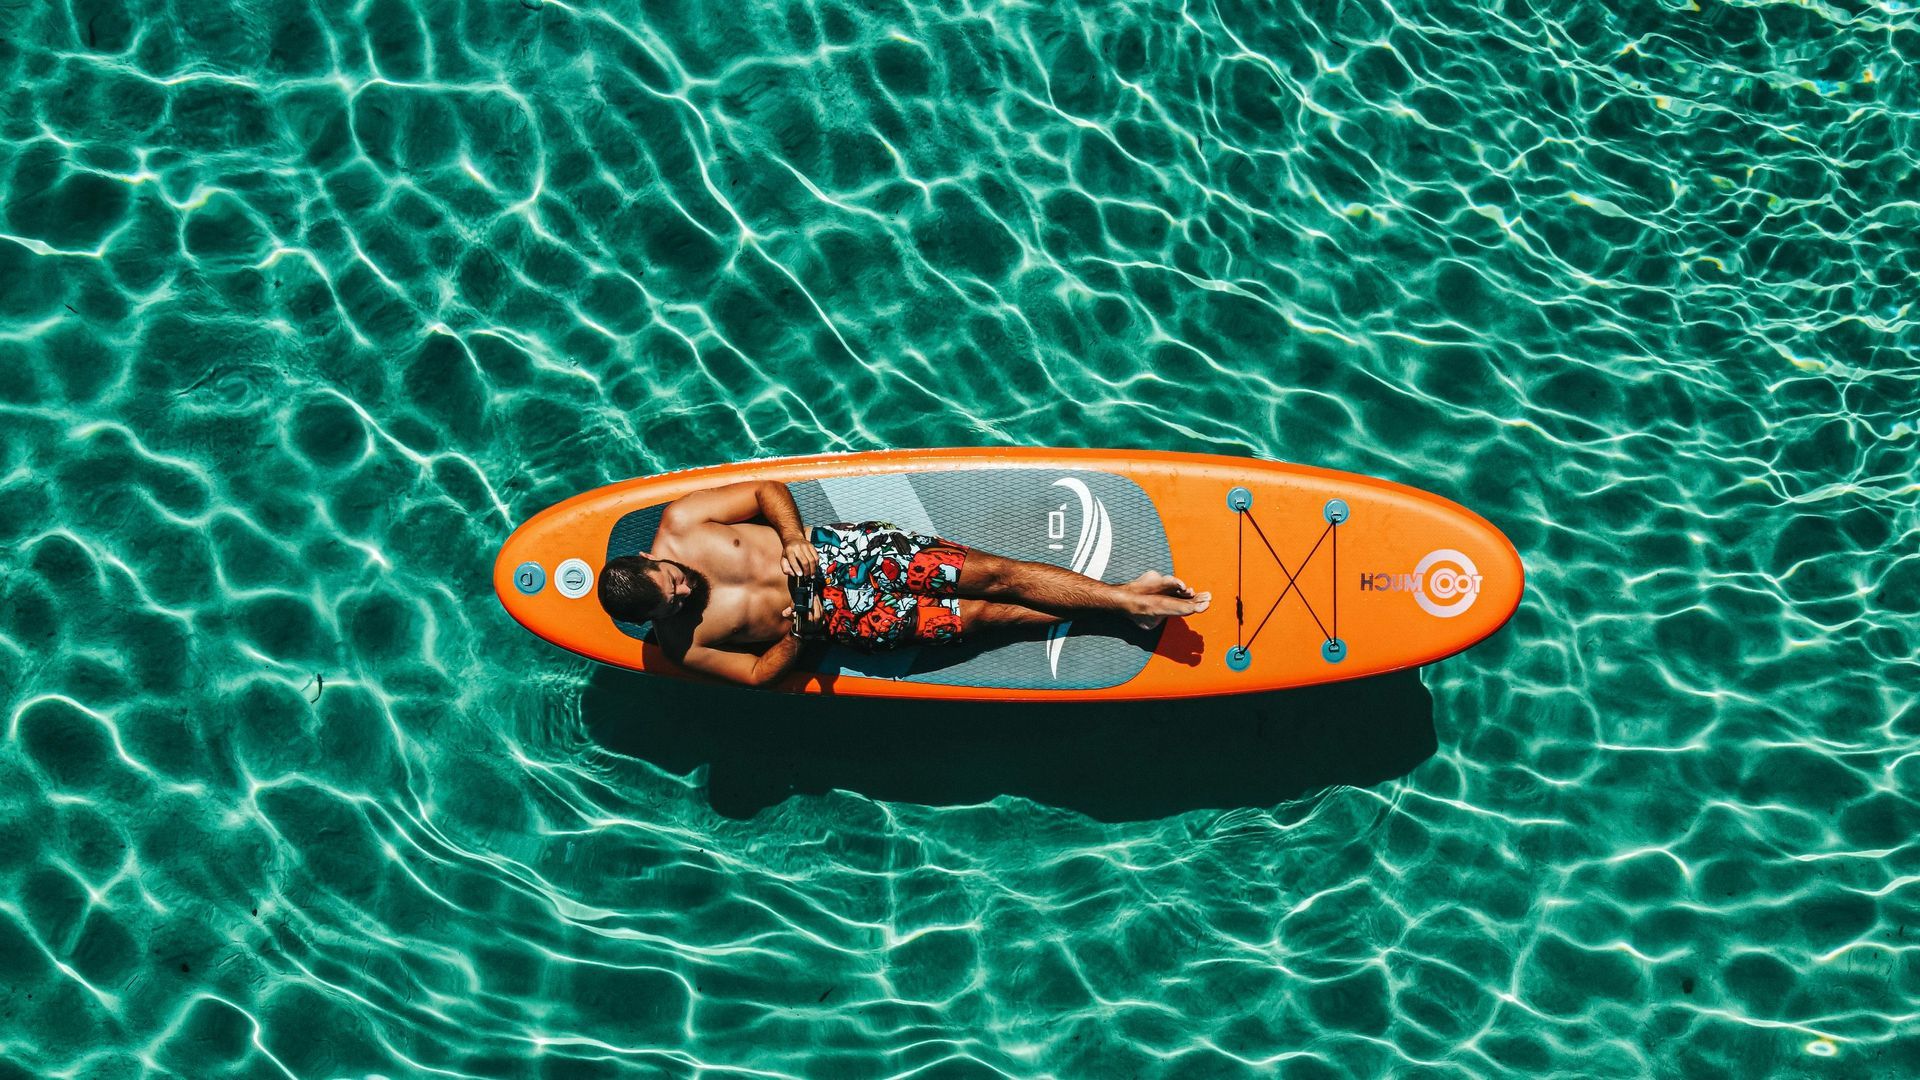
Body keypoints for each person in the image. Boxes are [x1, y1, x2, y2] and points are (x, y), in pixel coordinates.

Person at [596, 480, 1209, 687]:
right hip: (840, 621)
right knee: (983, 618)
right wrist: (803, 637)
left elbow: (764, 492)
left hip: (850, 554)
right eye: (673, 603)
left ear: (652, 559)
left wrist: (791, 539)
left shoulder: (681, 523)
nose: (683, 593)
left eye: (673, 581)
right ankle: (1120, 607)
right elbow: (758, 677)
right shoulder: (678, 645)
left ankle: (1131, 595)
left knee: (994, 574)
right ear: (650, 619)